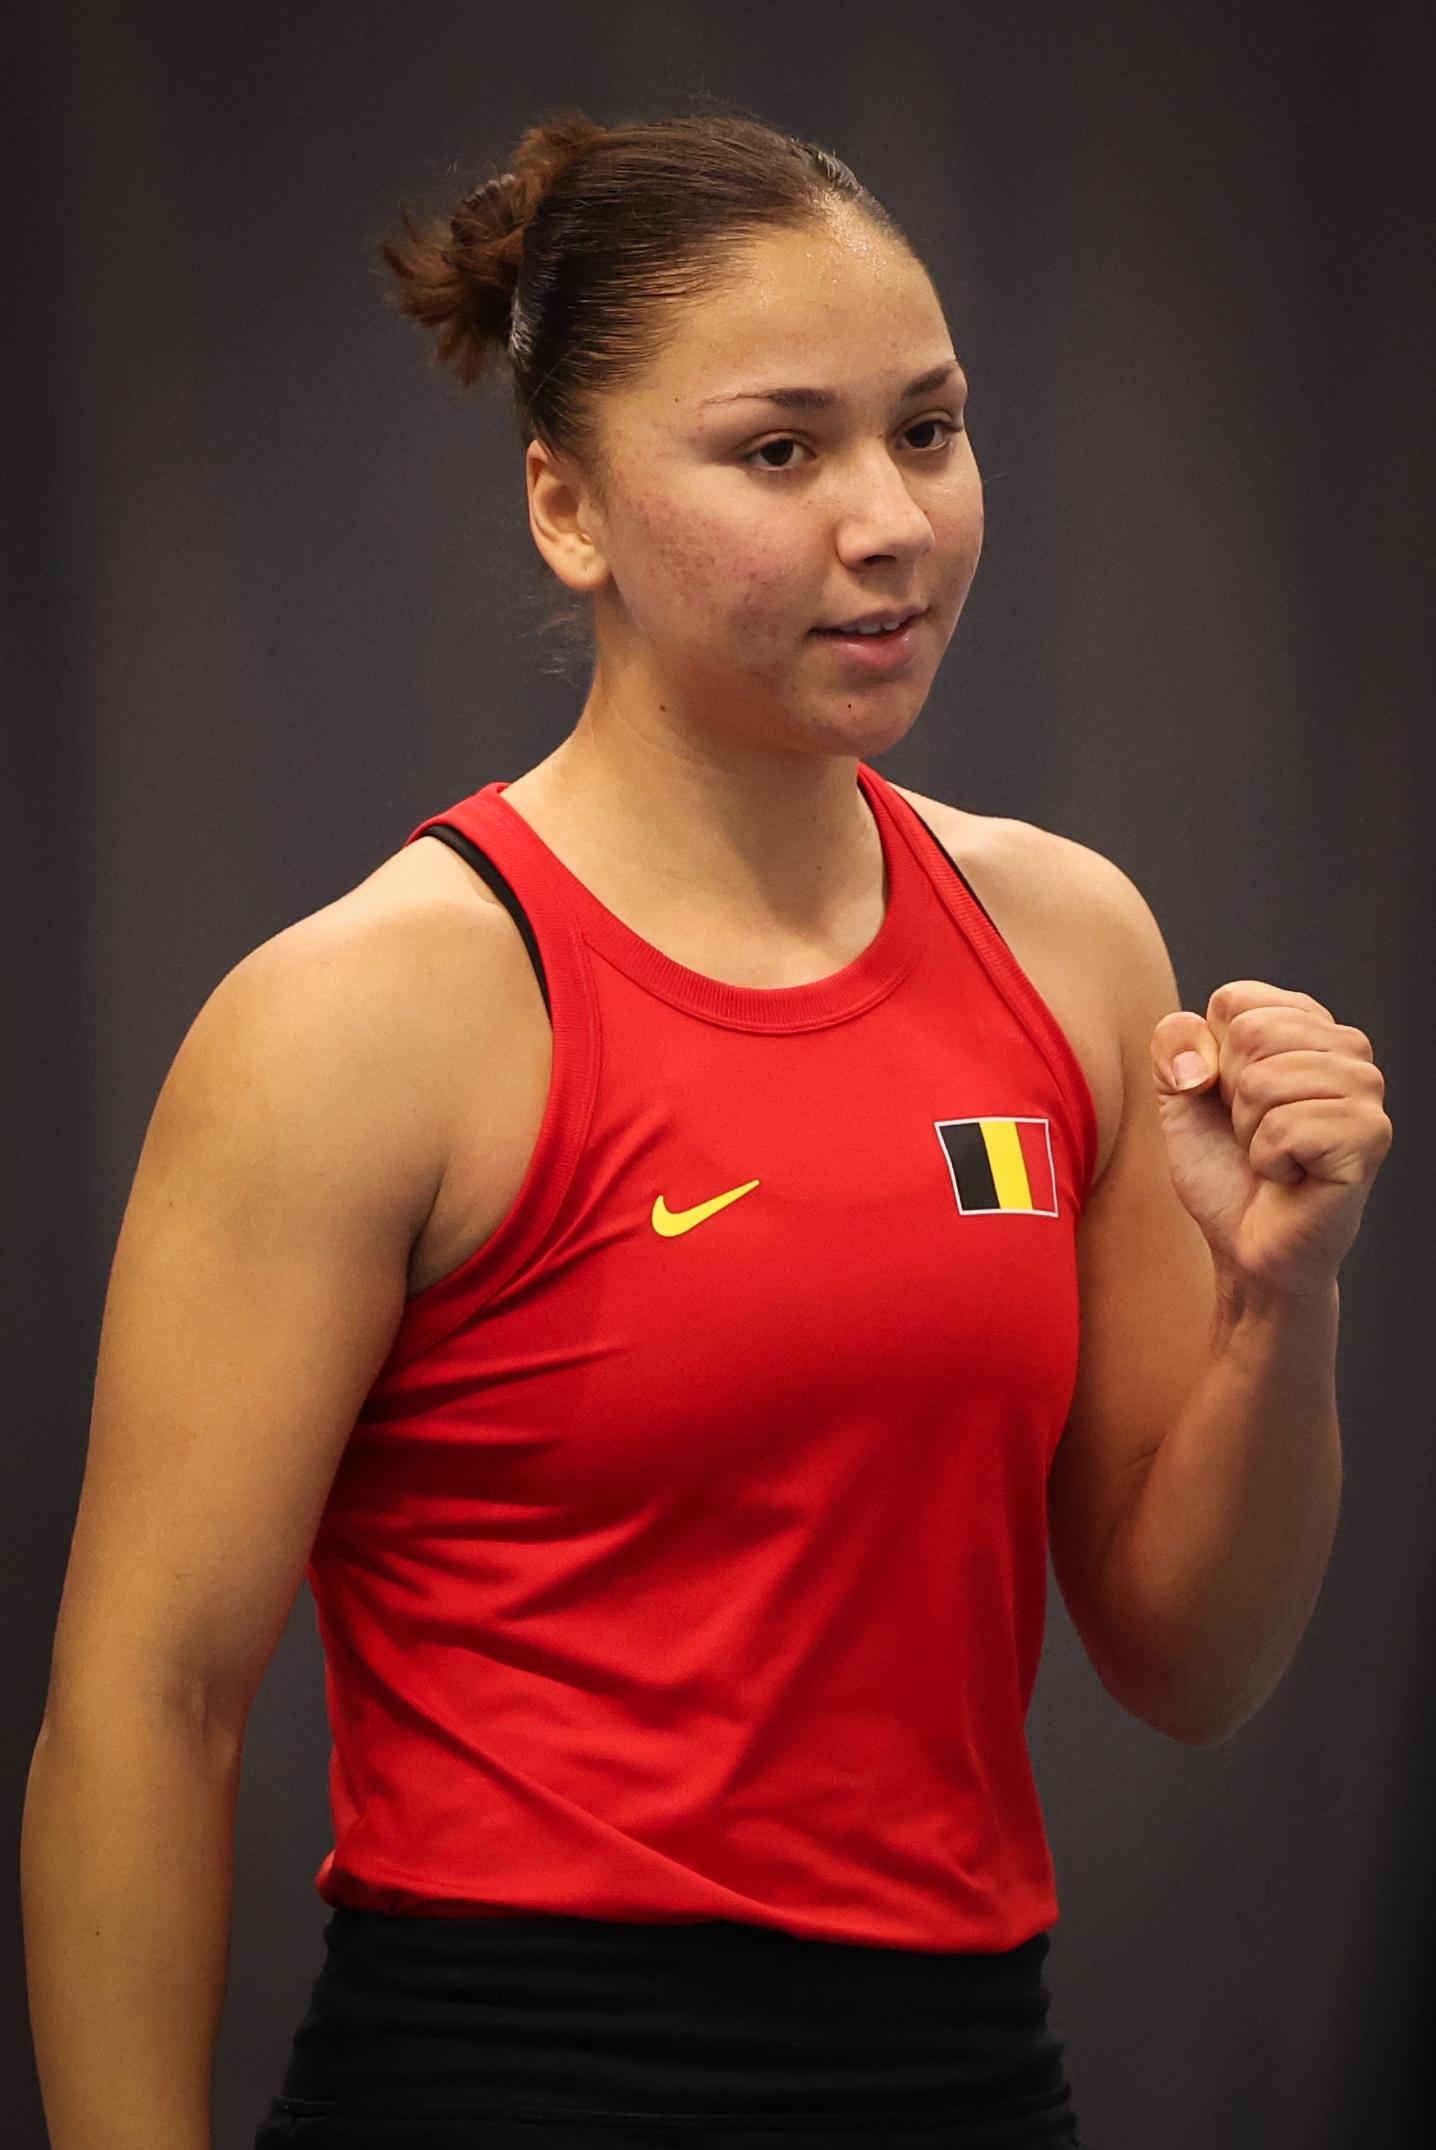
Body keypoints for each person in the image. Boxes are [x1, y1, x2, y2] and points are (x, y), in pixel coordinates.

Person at [25, 104, 1383, 2150]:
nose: (890, 519)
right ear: (565, 504)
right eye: (780, 451)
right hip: (501, 2086)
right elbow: (148, 1707)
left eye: (928, 430)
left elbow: (1192, 1659)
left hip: (966, 2085)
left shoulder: (1074, 944)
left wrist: (1283, 1297)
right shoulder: (365, 1017)